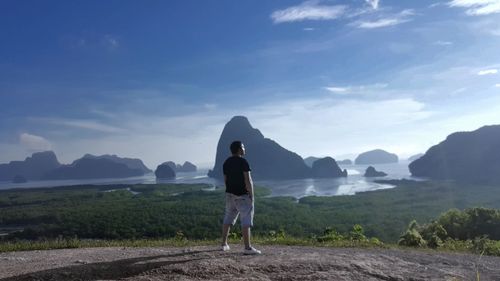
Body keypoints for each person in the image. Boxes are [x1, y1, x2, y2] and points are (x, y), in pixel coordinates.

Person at [220, 140, 261, 255]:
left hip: (229, 194)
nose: (244, 149)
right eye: (243, 147)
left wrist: (229, 191)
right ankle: (247, 248)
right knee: (246, 220)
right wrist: (252, 195)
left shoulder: (226, 163)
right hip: (242, 195)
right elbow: (248, 180)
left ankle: (224, 244)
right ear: (239, 149)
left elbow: (225, 180)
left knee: (228, 218)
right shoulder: (243, 162)